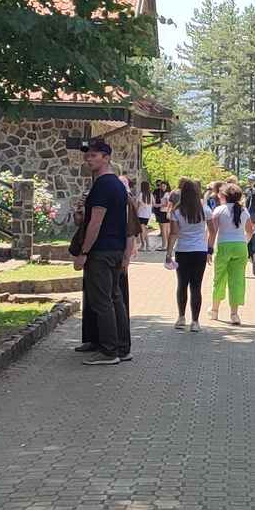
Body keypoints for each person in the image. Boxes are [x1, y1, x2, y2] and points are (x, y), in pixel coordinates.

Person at [73, 139, 131, 366]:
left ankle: (109, 351)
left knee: (102, 301)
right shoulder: (117, 184)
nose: (89, 160)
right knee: (115, 297)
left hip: (102, 250)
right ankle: (122, 347)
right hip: (115, 249)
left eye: (94, 156)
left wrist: (84, 252)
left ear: (106, 157)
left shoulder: (103, 185)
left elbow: (96, 222)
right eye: (87, 156)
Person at [164, 178, 210, 331]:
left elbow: (173, 233)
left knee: (182, 284)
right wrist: (210, 246)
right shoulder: (205, 210)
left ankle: (181, 317)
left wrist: (168, 253)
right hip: (200, 251)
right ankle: (195, 322)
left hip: (183, 251)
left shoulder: (177, 211)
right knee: (196, 286)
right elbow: (213, 228)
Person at [208, 182, 250, 324]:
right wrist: (245, 242)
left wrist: (209, 249)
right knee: (237, 279)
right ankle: (234, 314)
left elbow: (212, 232)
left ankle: (214, 311)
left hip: (224, 246)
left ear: (224, 196)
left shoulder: (219, 210)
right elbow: (250, 231)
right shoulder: (244, 211)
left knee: (219, 278)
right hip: (240, 246)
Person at [151, 181, 170, 250]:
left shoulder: (166, 194)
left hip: (163, 212)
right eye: (162, 186)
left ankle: (164, 245)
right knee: (166, 230)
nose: (162, 188)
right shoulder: (167, 193)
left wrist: (157, 205)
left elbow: (167, 204)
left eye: (164, 186)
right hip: (166, 212)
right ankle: (166, 245)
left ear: (167, 186)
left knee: (164, 230)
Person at [136, 180, 153, 251]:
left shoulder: (141, 194)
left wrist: (135, 212)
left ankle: (143, 245)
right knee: (144, 229)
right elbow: (153, 204)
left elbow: (138, 205)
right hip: (147, 215)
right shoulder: (150, 195)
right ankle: (148, 245)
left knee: (142, 230)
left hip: (141, 214)